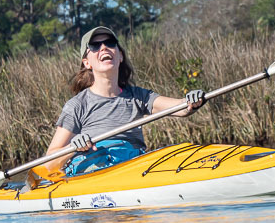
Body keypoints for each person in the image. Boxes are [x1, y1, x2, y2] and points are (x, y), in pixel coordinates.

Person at [44, 26, 205, 177]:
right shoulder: (77, 106)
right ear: (87, 63)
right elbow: (49, 164)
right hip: (97, 173)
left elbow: (181, 108)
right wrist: (72, 147)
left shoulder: (138, 96)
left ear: (120, 56)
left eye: (110, 43)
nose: (104, 47)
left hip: (134, 169)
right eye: (95, 45)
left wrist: (191, 100)